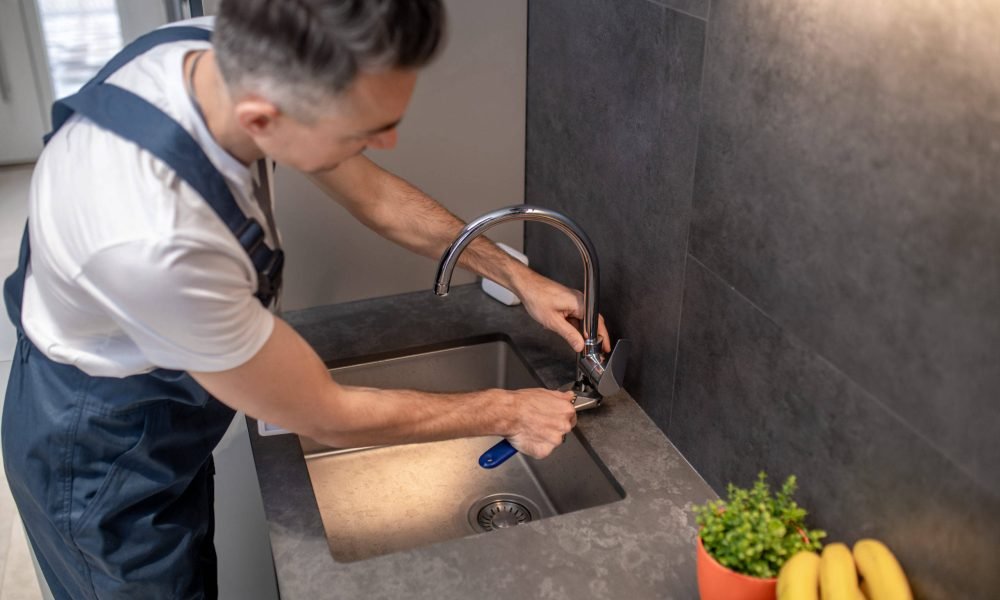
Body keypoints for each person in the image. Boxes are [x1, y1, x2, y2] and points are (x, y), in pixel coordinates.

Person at [1, 1, 612, 598]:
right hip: (99, 459)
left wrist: (516, 275)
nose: (389, 141)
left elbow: (374, 196)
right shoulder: (154, 237)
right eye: (366, 131)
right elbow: (325, 414)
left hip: (162, 399)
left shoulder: (218, 51)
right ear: (263, 120)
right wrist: (507, 411)